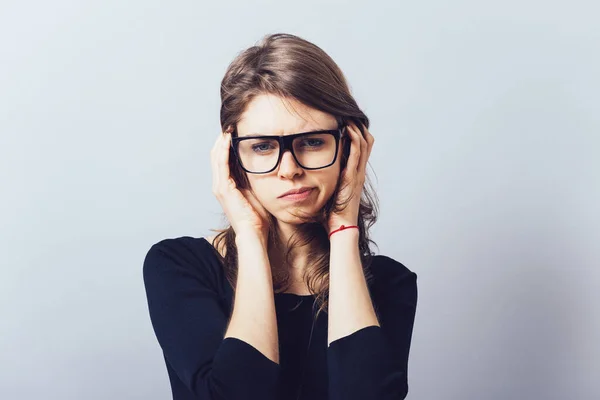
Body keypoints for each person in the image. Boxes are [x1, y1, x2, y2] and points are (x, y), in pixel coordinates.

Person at [142, 33, 418, 400]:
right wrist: (250, 237)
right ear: (232, 158)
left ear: (349, 147)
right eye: (262, 146)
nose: (288, 169)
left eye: (312, 141)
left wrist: (345, 232)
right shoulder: (177, 266)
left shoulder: (388, 283)